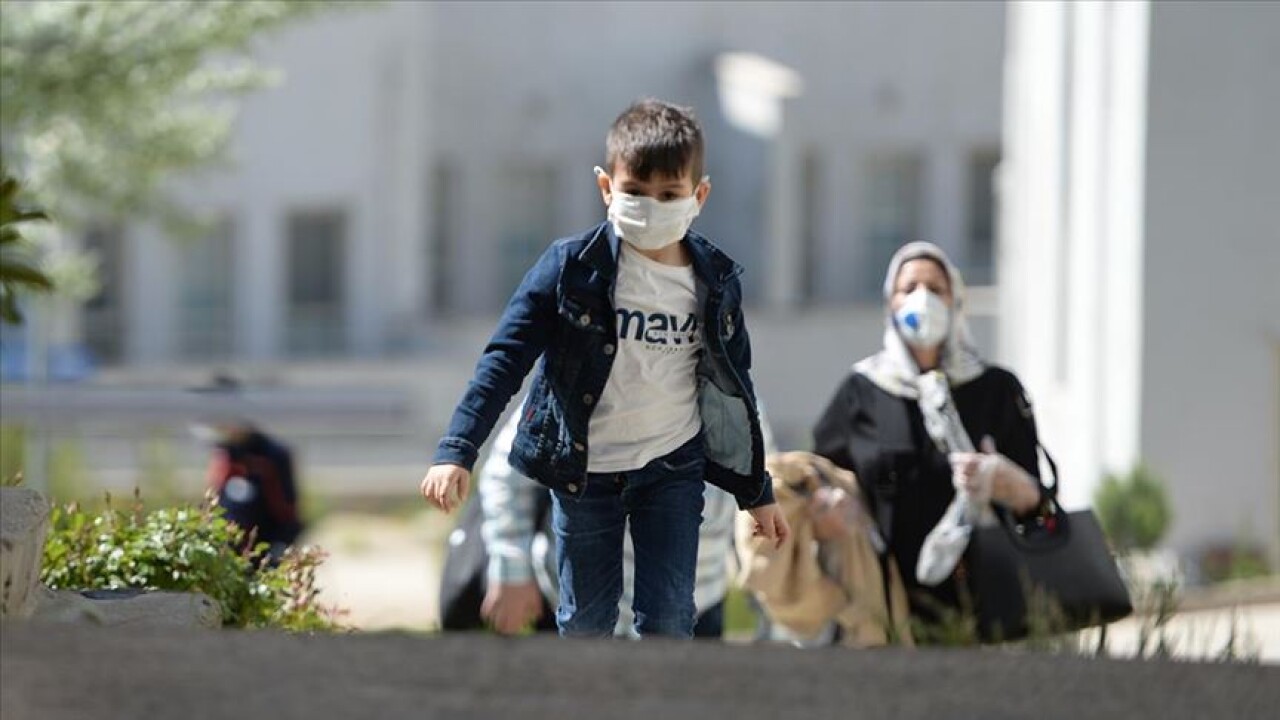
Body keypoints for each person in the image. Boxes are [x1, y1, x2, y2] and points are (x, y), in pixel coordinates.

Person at [420, 98, 788, 639]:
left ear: (699, 195)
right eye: (636, 192)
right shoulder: (569, 270)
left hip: (672, 472)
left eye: (669, 195)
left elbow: (735, 389)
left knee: (666, 621)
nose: (650, 206)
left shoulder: (714, 283)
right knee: (585, 622)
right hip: (585, 475)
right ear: (606, 187)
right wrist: (457, 450)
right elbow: (504, 359)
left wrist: (757, 493)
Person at [811, 242, 1045, 639]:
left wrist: (1007, 483)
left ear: (957, 302)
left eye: (936, 289)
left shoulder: (996, 390)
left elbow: (1039, 509)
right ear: (890, 303)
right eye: (910, 287)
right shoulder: (862, 390)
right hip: (882, 609)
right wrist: (826, 509)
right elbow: (817, 477)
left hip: (979, 612)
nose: (923, 298)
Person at [477, 402, 778, 639]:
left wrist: (772, 612)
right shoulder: (585, 370)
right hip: (574, 608)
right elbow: (507, 474)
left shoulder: (739, 406)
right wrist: (512, 568)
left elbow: (757, 525)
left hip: (696, 611)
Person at [202, 418, 303, 564]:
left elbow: (286, 506)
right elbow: (213, 496)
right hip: (228, 539)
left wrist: (282, 541)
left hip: (267, 538)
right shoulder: (224, 454)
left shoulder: (273, 455)